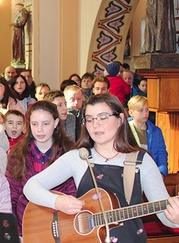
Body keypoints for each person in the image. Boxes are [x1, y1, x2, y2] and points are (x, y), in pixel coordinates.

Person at [23, 93, 179, 242]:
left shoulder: (142, 161)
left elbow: (166, 216)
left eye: (103, 117)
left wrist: (175, 218)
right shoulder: (79, 157)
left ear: (120, 119)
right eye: (89, 119)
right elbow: (31, 187)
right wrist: (57, 202)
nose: (95, 125)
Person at [5, 100, 75, 235]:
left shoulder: (70, 153)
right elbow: (12, 194)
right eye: (34, 124)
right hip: (25, 222)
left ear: (55, 123)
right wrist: (15, 232)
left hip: (60, 223)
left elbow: (72, 193)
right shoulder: (17, 153)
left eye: (46, 123)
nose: (39, 129)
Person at [127, 95, 168, 177]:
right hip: (130, 173)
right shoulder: (124, 130)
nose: (145, 113)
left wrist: (161, 173)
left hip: (151, 173)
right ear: (131, 113)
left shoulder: (156, 131)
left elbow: (161, 154)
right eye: (140, 110)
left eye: (147, 110)